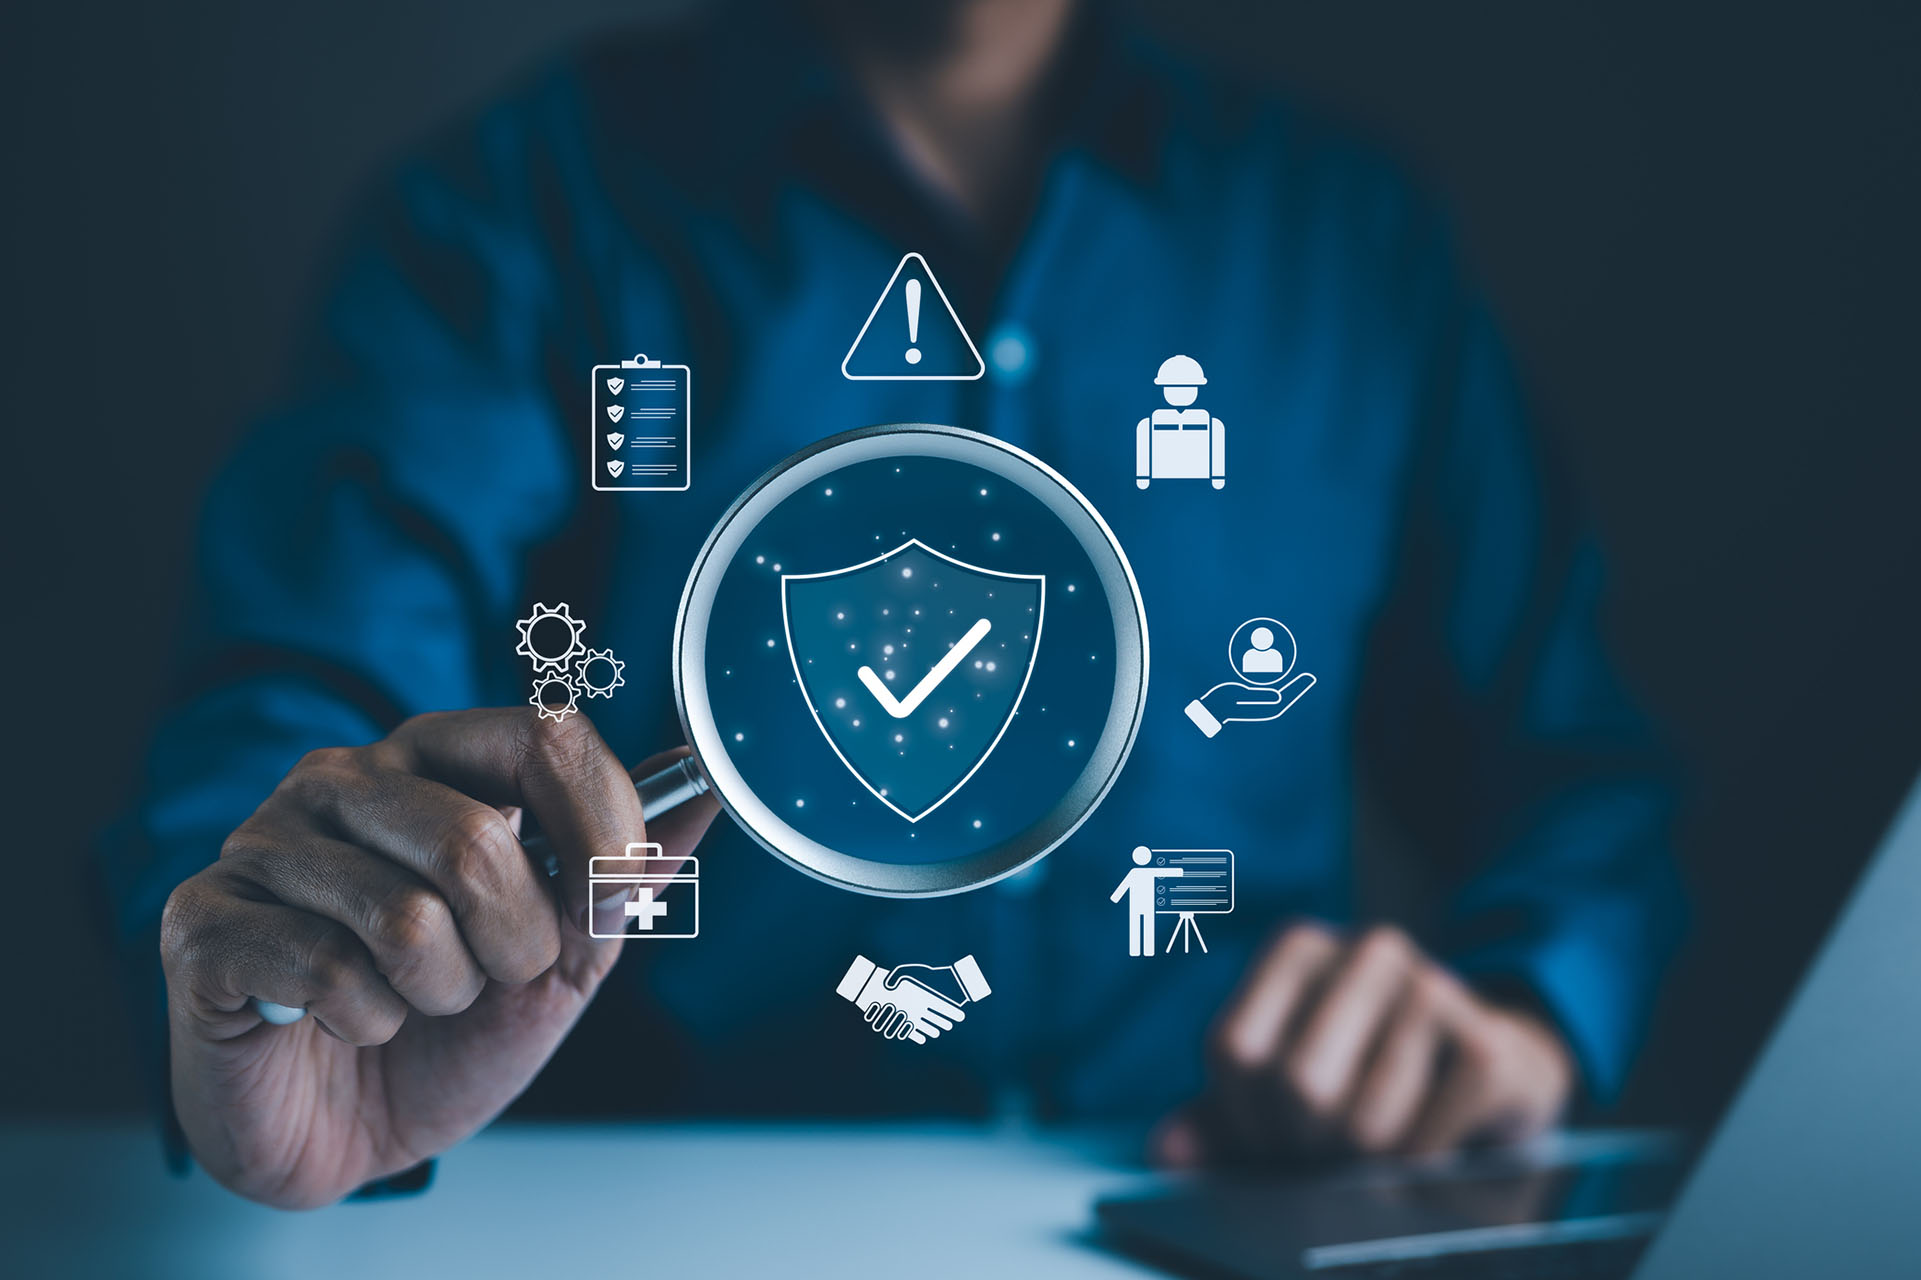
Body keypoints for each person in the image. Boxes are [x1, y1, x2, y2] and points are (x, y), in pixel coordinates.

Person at [102, 0, 1683, 1209]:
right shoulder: (505, 221)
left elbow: (1574, 769)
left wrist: (1520, 1027)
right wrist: (273, 989)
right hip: (651, 1222)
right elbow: (283, 737)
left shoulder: (1350, 244)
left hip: (1217, 1205)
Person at [1110, 846, 1184, 957]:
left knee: (1143, 927)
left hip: (1142, 906)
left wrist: (1115, 898)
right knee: (1141, 927)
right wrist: (1115, 898)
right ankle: (1142, 950)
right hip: (1141, 906)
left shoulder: (1138, 872)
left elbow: (1170, 872)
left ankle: (1143, 951)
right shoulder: (1136, 873)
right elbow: (1123, 887)